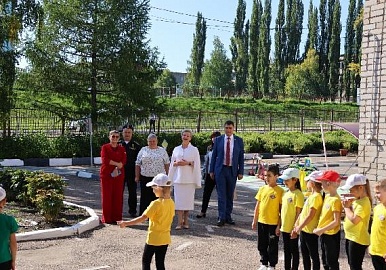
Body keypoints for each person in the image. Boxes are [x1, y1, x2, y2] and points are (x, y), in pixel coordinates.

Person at [117, 173, 175, 270]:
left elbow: (143, 217)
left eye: (153, 188)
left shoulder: (155, 204)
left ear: (159, 188)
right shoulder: (171, 203)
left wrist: (126, 223)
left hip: (154, 237)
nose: (152, 190)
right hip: (165, 238)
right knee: (160, 263)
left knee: (146, 261)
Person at [210, 120, 244, 227]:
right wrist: (211, 170)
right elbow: (214, 156)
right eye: (226, 128)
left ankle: (228, 216)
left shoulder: (238, 140)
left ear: (233, 129)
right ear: (224, 128)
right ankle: (221, 217)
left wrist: (241, 171)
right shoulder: (218, 140)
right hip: (221, 170)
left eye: (230, 128)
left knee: (230, 194)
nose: (228, 130)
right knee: (221, 194)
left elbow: (240, 157)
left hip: (232, 171)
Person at [252, 164, 284, 270]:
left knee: (273, 244)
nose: (267, 178)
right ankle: (264, 262)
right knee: (262, 243)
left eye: (269, 175)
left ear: (276, 176)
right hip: (262, 221)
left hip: (273, 223)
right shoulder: (262, 189)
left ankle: (272, 264)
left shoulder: (280, 191)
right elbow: (258, 205)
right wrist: (255, 220)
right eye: (266, 175)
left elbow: (281, 210)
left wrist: (279, 225)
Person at [168, 129, 201, 229]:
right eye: (184, 135)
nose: (185, 137)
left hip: (189, 180)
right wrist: (177, 164)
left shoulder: (194, 150)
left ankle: (186, 221)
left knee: (187, 202)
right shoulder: (176, 149)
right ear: (181, 136)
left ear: (190, 138)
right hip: (178, 179)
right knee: (178, 202)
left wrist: (187, 163)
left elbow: (197, 164)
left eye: (187, 135)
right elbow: (172, 163)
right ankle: (179, 222)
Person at [292, 170, 324, 270]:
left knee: (313, 255)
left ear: (313, 183)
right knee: (305, 255)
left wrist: (299, 227)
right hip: (304, 230)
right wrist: (298, 225)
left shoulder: (316, 197)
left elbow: (310, 215)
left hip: (310, 231)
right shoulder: (312, 195)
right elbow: (303, 213)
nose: (306, 183)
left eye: (308, 181)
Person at [341, 174, 372, 270]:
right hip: (351, 236)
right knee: (352, 264)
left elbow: (355, 220)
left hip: (358, 239)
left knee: (355, 266)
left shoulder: (364, 203)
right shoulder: (357, 200)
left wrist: (346, 208)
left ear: (361, 188)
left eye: (351, 190)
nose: (350, 193)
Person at [313, 170, 342, 270]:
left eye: (322, 183)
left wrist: (321, 230)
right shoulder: (328, 196)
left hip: (331, 235)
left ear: (328, 183)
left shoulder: (335, 200)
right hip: (325, 233)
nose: (321, 185)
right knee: (325, 259)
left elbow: (336, 221)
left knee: (331, 261)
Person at [136, 133, 170, 215]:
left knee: (157, 196)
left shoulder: (162, 150)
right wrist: (137, 176)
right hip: (145, 177)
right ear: (147, 142)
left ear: (157, 141)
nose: (152, 143)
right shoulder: (143, 150)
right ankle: (144, 215)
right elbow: (137, 163)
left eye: (153, 141)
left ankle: (158, 214)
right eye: (150, 141)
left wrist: (168, 177)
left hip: (159, 179)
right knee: (145, 197)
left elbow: (167, 163)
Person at [279, 168, 304, 270]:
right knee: (286, 251)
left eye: (287, 180)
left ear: (295, 180)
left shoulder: (298, 194)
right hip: (284, 227)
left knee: (294, 251)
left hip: (292, 228)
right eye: (284, 180)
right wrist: (279, 225)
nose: (285, 182)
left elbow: (299, 213)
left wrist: (295, 228)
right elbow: (281, 212)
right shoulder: (285, 193)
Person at [100, 130, 127, 224]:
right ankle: (107, 218)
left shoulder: (122, 148)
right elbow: (105, 159)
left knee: (118, 196)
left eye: (116, 137)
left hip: (119, 175)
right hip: (107, 174)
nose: (115, 138)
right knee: (107, 196)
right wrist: (116, 164)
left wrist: (119, 166)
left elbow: (124, 160)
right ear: (109, 137)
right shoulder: (105, 147)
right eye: (113, 136)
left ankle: (117, 217)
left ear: (119, 138)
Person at [196, 131, 221, 219]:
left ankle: (220, 214)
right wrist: (204, 173)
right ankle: (203, 211)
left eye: (216, 137)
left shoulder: (222, 148)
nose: (214, 139)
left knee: (220, 195)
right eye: (213, 137)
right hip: (208, 174)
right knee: (206, 193)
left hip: (219, 174)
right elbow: (206, 162)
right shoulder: (209, 148)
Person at [120, 125, 141, 217]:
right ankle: (117, 210)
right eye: (125, 132)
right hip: (120, 172)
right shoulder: (118, 144)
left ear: (132, 133)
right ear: (122, 133)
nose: (127, 134)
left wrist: (138, 174)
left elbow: (139, 161)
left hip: (132, 173)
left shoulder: (136, 145)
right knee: (118, 192)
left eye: (129, 132)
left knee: (132, 192)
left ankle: (132, 211)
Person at [369, 179, 386, 270]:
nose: (376, 196)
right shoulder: (377, 208)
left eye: (378, 193)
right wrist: (371, 246)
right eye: (375, 193)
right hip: (375, 251)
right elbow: (374, 229)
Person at [0, 187, 18, 270]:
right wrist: (13, 261)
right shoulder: (9, 221)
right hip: (4, 261)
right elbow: (13, 243)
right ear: (4, 201)